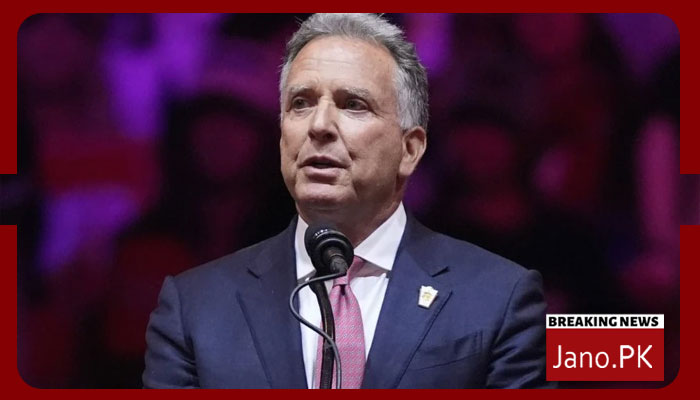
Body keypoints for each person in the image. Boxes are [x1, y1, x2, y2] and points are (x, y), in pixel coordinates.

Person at [143, 13, 552, 389]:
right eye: (301, 104)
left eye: (353, 105)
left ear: (410, 149)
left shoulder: (500, 298)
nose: (319, 126)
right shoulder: (193, 308)